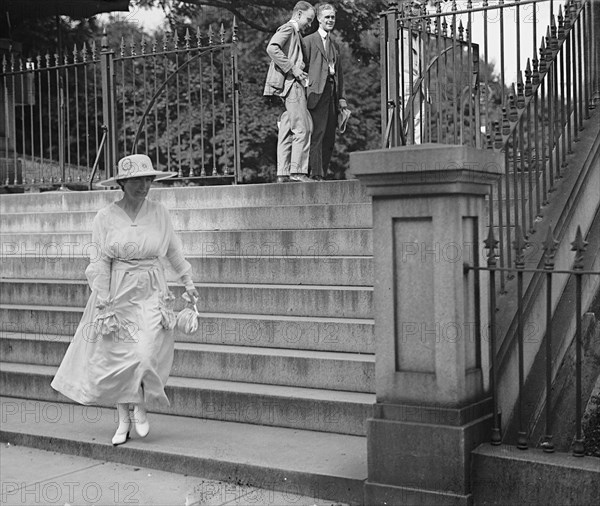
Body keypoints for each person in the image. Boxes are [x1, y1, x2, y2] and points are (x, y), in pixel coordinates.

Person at [51, 154, 199, 446]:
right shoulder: (105, 217)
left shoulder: (159, 213)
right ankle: (122, 418)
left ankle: (140, 407)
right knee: (116, 358)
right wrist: (104, 299)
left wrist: (188, 282)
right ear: (122, 182)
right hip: (116, 293)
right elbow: (98, 261)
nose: (144, 185)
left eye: (148, 179)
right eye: (137, 180)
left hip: (151, 291)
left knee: (144, 353)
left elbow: (173, 251)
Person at [264, 1, 315, 183]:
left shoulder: (294, 32)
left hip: (288, 84)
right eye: (308, 19)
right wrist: (292, 68)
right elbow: (272, 48)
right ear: (299, 14)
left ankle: (283, 173)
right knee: (303, 127)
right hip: (292, 84)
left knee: (287, 128)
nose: (309, 24)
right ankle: (298, 172)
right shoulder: (288, 29)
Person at [304, 3, 349, 180]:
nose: (330, 20)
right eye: (327, 17)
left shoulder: (335, 45)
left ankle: (322, 172)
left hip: (331, 93)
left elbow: (339, 74)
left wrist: (342, 100)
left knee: (330, 136)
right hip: (316, 94)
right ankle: (315, 173)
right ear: (319, 19)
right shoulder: (308, 41)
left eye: (332, 17)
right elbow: (302, 66)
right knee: (317, 134)